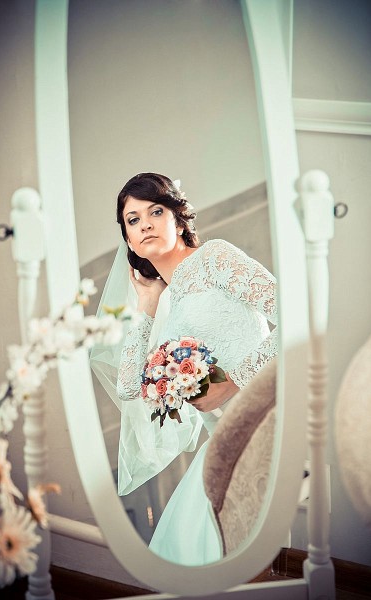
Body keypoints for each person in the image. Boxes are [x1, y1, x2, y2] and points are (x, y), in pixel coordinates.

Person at [90, 172, 277, 566]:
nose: (145, 224)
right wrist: (148, 307)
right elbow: (128, 386)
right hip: (224, 441)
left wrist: (235, 382)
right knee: (182, 544)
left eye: (155, 212)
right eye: (133, 220)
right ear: (129, 240)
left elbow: (295, 315)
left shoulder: (214, 257)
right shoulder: (166, 305)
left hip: (268, 417)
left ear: (178, 218)